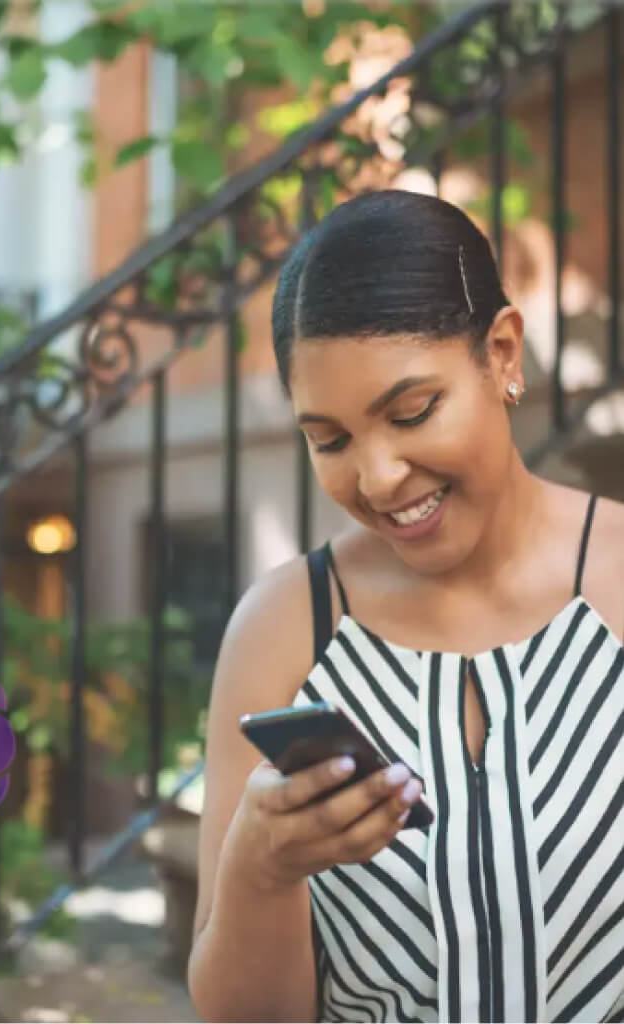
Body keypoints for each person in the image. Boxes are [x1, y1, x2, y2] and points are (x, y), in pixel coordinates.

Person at [186, 189, 624, 1023]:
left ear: (501, 354)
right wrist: (261, 869)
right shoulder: (283, 630)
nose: (378, 477)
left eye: (412, 411)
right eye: (332, 440)